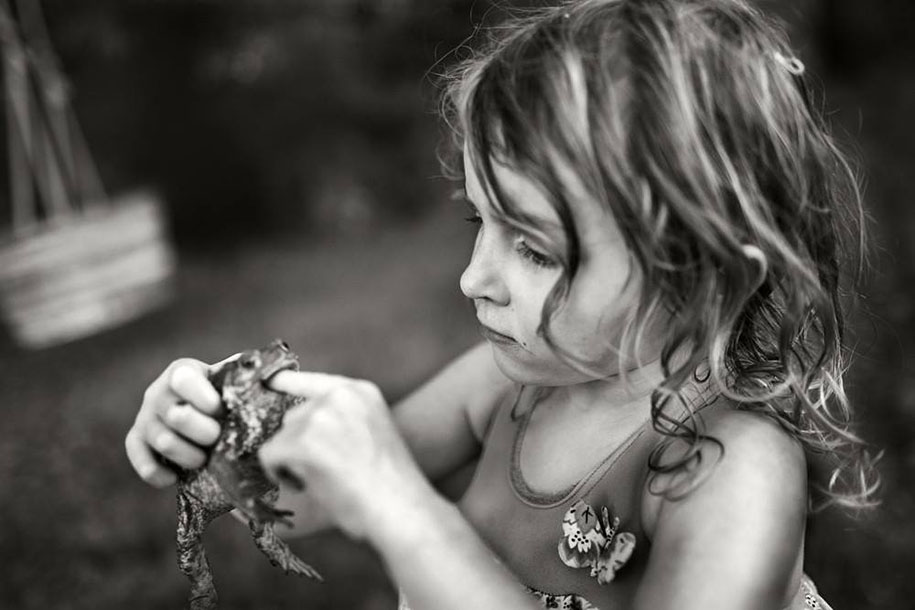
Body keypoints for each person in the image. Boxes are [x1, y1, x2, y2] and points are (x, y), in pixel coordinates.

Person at [125, 1, 881, 608]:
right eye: (478, 222)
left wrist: (403, 509)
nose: (472, 278)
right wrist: (216, 432)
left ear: (702, 275)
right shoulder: (508, 389)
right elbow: (318, 489)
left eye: (533, 249)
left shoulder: (731, 467)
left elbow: (387, 496)